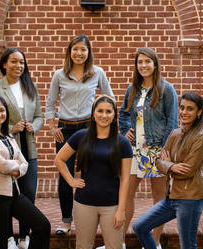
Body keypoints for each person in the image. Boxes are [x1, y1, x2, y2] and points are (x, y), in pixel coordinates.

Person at [104, 47, 177, 249]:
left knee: (159, 196)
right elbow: (124, 113)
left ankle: (154, 242)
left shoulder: (167, 89)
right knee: (127, 193)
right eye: (140, 62)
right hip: (134, 149)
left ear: (155, 64)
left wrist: (165, 148)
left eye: (147, 62)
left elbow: (173, 122)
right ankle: (119, 242)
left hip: (158, 149)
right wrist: (126, 129)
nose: (143, 65)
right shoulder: (133, 88)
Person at [45, 34, 114, 234]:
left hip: (88, 128)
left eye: (83, 49)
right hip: (65, 129)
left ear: (88, 52)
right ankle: (66, 221)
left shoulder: (97, 73)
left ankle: (90, 221)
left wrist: (105, 120)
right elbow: (50, 103)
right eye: (75, 49)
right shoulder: (59, 75)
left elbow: (109, 98)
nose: (79, 53)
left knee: (91, 172)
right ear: (70, 51)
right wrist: (51, 126)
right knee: (65, 174)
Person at [54, 95, 132, 249]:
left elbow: (125, 180)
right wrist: (71, 181)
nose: (104, 115)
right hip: (84, 204)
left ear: (114, 115)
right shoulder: (81, 136)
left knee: (115, 246)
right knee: (83, 246)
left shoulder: (122, 142)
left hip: (112, 205)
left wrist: (121, 210)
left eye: (108, 112)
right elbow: (59, 159)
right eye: (100, 111)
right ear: (93, 114)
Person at [133, 92, 203, 249]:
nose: (184, 112)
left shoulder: (200, 136)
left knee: (187, 245)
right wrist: (172, 166)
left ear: (199, 112)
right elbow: (158, 161)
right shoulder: (175, 133)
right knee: (140, 227)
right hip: (171, 198)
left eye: (190, 109)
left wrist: (167, 165)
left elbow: (187, 171)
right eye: (182, 108)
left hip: (190, 199)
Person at [0, 48, 43, 249]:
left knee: (28, 193)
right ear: (4, 64)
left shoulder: (30, 87)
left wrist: (32, 127)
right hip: (5, 148)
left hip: (28, 148)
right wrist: (11, 128)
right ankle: (8, 238)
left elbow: (39, 117)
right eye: (14, 61)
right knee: (6, 195)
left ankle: (24, 238)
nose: (19, 66)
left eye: (22, 62)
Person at [0, 95, 50, 249]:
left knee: (42, 226)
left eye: (2, 110)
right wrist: (15, 165)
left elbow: (25, 164)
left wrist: (16, 168)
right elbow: (2, 165)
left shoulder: (9, 136)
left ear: (6, 113)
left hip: (15, 194)